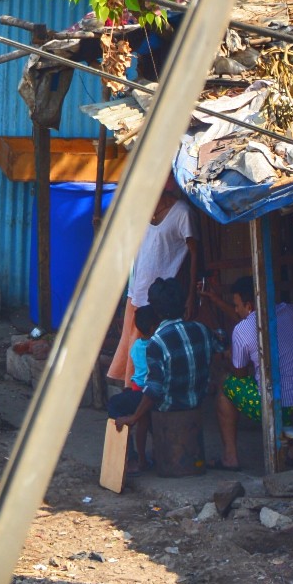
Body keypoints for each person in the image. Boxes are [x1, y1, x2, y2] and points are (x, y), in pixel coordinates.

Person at [207, 275, 293, 469]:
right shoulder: (291, 310)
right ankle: (292, 449)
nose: (235, 310)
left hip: (284, 409)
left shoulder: (241, 330)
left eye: (237, 306)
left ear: (249, 305)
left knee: (227, 385)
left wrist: (229, 357)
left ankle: (230, 458)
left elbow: (240, 375)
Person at [109, 182, 197, 387]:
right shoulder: (145, 210)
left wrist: (191, 295)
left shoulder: (182, 213)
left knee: (150, 352)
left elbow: (194, 254)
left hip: (160, 298)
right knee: (134, 349)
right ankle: (132, 395)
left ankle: (143, 399)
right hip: (138, 291)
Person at [113, 277, 213, 439]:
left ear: (156, 311)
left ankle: (131, 459)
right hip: (197, 403)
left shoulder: (157, 343)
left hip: (169, 408)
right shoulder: (202, 330)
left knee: (115, 404)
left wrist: (134, 417)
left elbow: (153, 390)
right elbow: (223, 343)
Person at [106, 303, 161, 465]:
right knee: (144, 423)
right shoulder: (156, 346)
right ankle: (142, 457)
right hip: (147, 392)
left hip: (139, 390)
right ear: (153, 328)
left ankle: (132, 454)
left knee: (117, 407)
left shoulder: (136, 346)